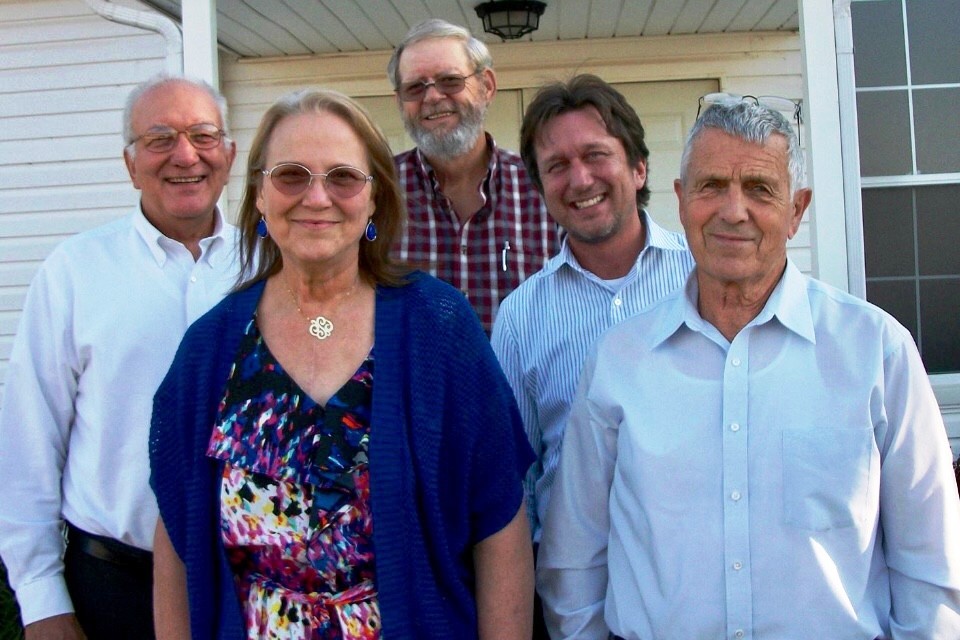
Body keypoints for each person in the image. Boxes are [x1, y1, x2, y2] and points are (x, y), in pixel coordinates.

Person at [538, 97, 960, 638]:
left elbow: (931, 568)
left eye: (760, 189)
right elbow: (574, 563)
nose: (733, 211)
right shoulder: (620, 361)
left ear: (797, 211)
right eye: (711, 186)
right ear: (681, 200)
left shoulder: (876, 353)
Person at [149, 88, 535, 640]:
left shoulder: (437, 327)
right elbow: (176, 538)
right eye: (291, 176)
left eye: (343, 178)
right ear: (259, 194)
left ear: (374, 198)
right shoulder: (209, 349)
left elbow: (499, 519)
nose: (317, 197)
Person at [0, 74, 239, 639]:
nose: (186, 155)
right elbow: (30, 439)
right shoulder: (74, 272)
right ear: (130, 164)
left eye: (203, 135)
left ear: (229, 154)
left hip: (248, 585)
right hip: (114, 587)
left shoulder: (270, 264)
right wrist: (41, 600)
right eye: (160, 139)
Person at [490, 75, 694, 638]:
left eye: (596, 155)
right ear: (540, 186)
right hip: (575, 609)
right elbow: (513, 485)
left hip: (701, 595)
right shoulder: (521, 318)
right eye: (557, 165)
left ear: (639, 167)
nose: (579, 179)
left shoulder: (702, 282)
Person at [387, 18, 559, 333]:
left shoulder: (545, 187)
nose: (432, 97)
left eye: (450, 80)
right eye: (415, 87)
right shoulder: (373, 194)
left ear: (486, 86)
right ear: (400, 101)